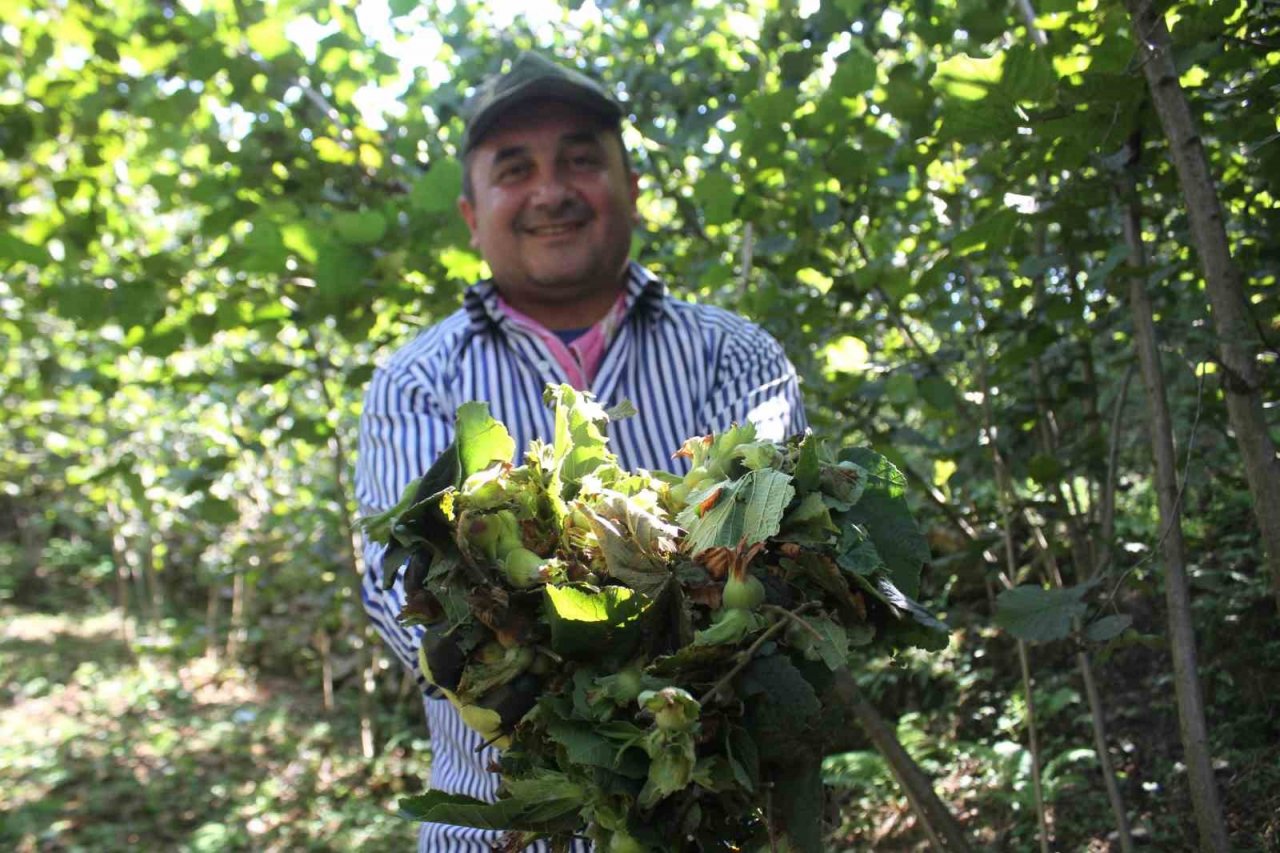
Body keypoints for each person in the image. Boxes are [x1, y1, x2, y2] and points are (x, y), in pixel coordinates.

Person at [355, 51, 807, 852]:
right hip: (500, 822)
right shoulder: (418, 381)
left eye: (580, 160)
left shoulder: (737, 357)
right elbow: (407, 591)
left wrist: (549, 614)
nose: (551, 191)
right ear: (472, 212)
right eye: (515, 168)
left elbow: (773, 561)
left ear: (632, 187)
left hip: (711, 819)